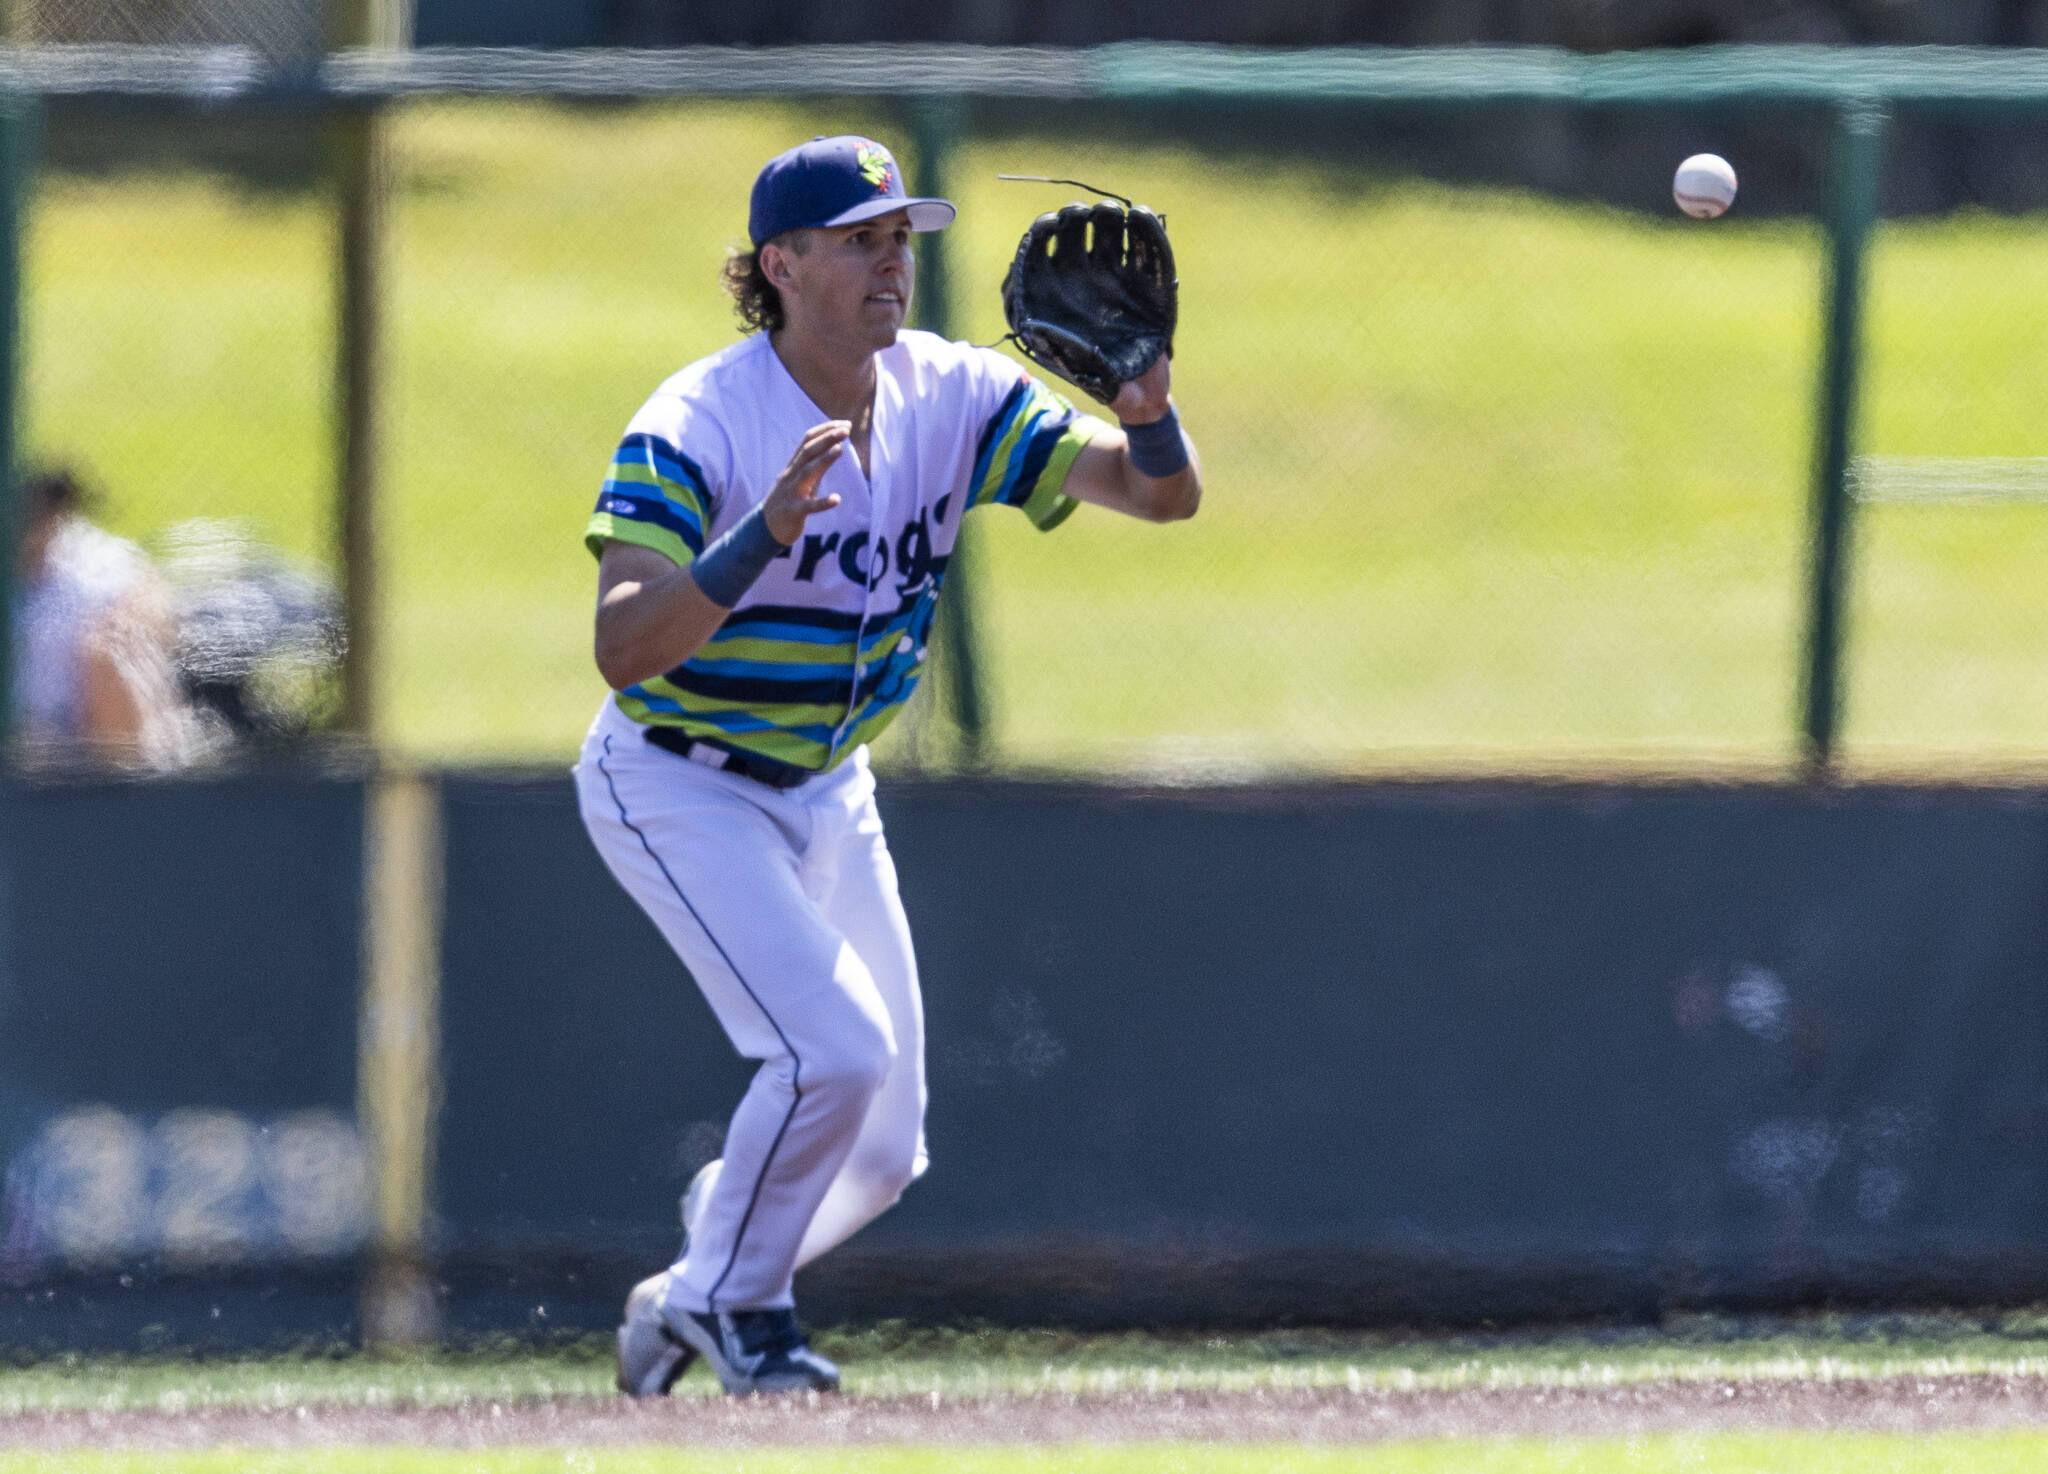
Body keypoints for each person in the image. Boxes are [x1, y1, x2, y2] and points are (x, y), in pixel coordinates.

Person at [573, 135, 1201, 1397]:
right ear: (780, 264)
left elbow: (1157, 497)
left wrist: (1148, 408)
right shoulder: (698, 422)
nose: (889, 262)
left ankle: (695, 1282)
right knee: (833, 1054)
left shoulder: (951, 395)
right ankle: (738, 1307)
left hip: (825, 784)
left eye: (899, 237)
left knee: (884, 1142)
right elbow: (622, 647)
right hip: (678, 778)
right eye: (858, 238)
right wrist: (759, 539)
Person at [10, 468, 191, 769]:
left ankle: (127, 796)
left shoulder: (91, 561)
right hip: (24, 738)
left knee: (105, 656)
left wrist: (121, 630)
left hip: (94, 742)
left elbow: (158, 610)